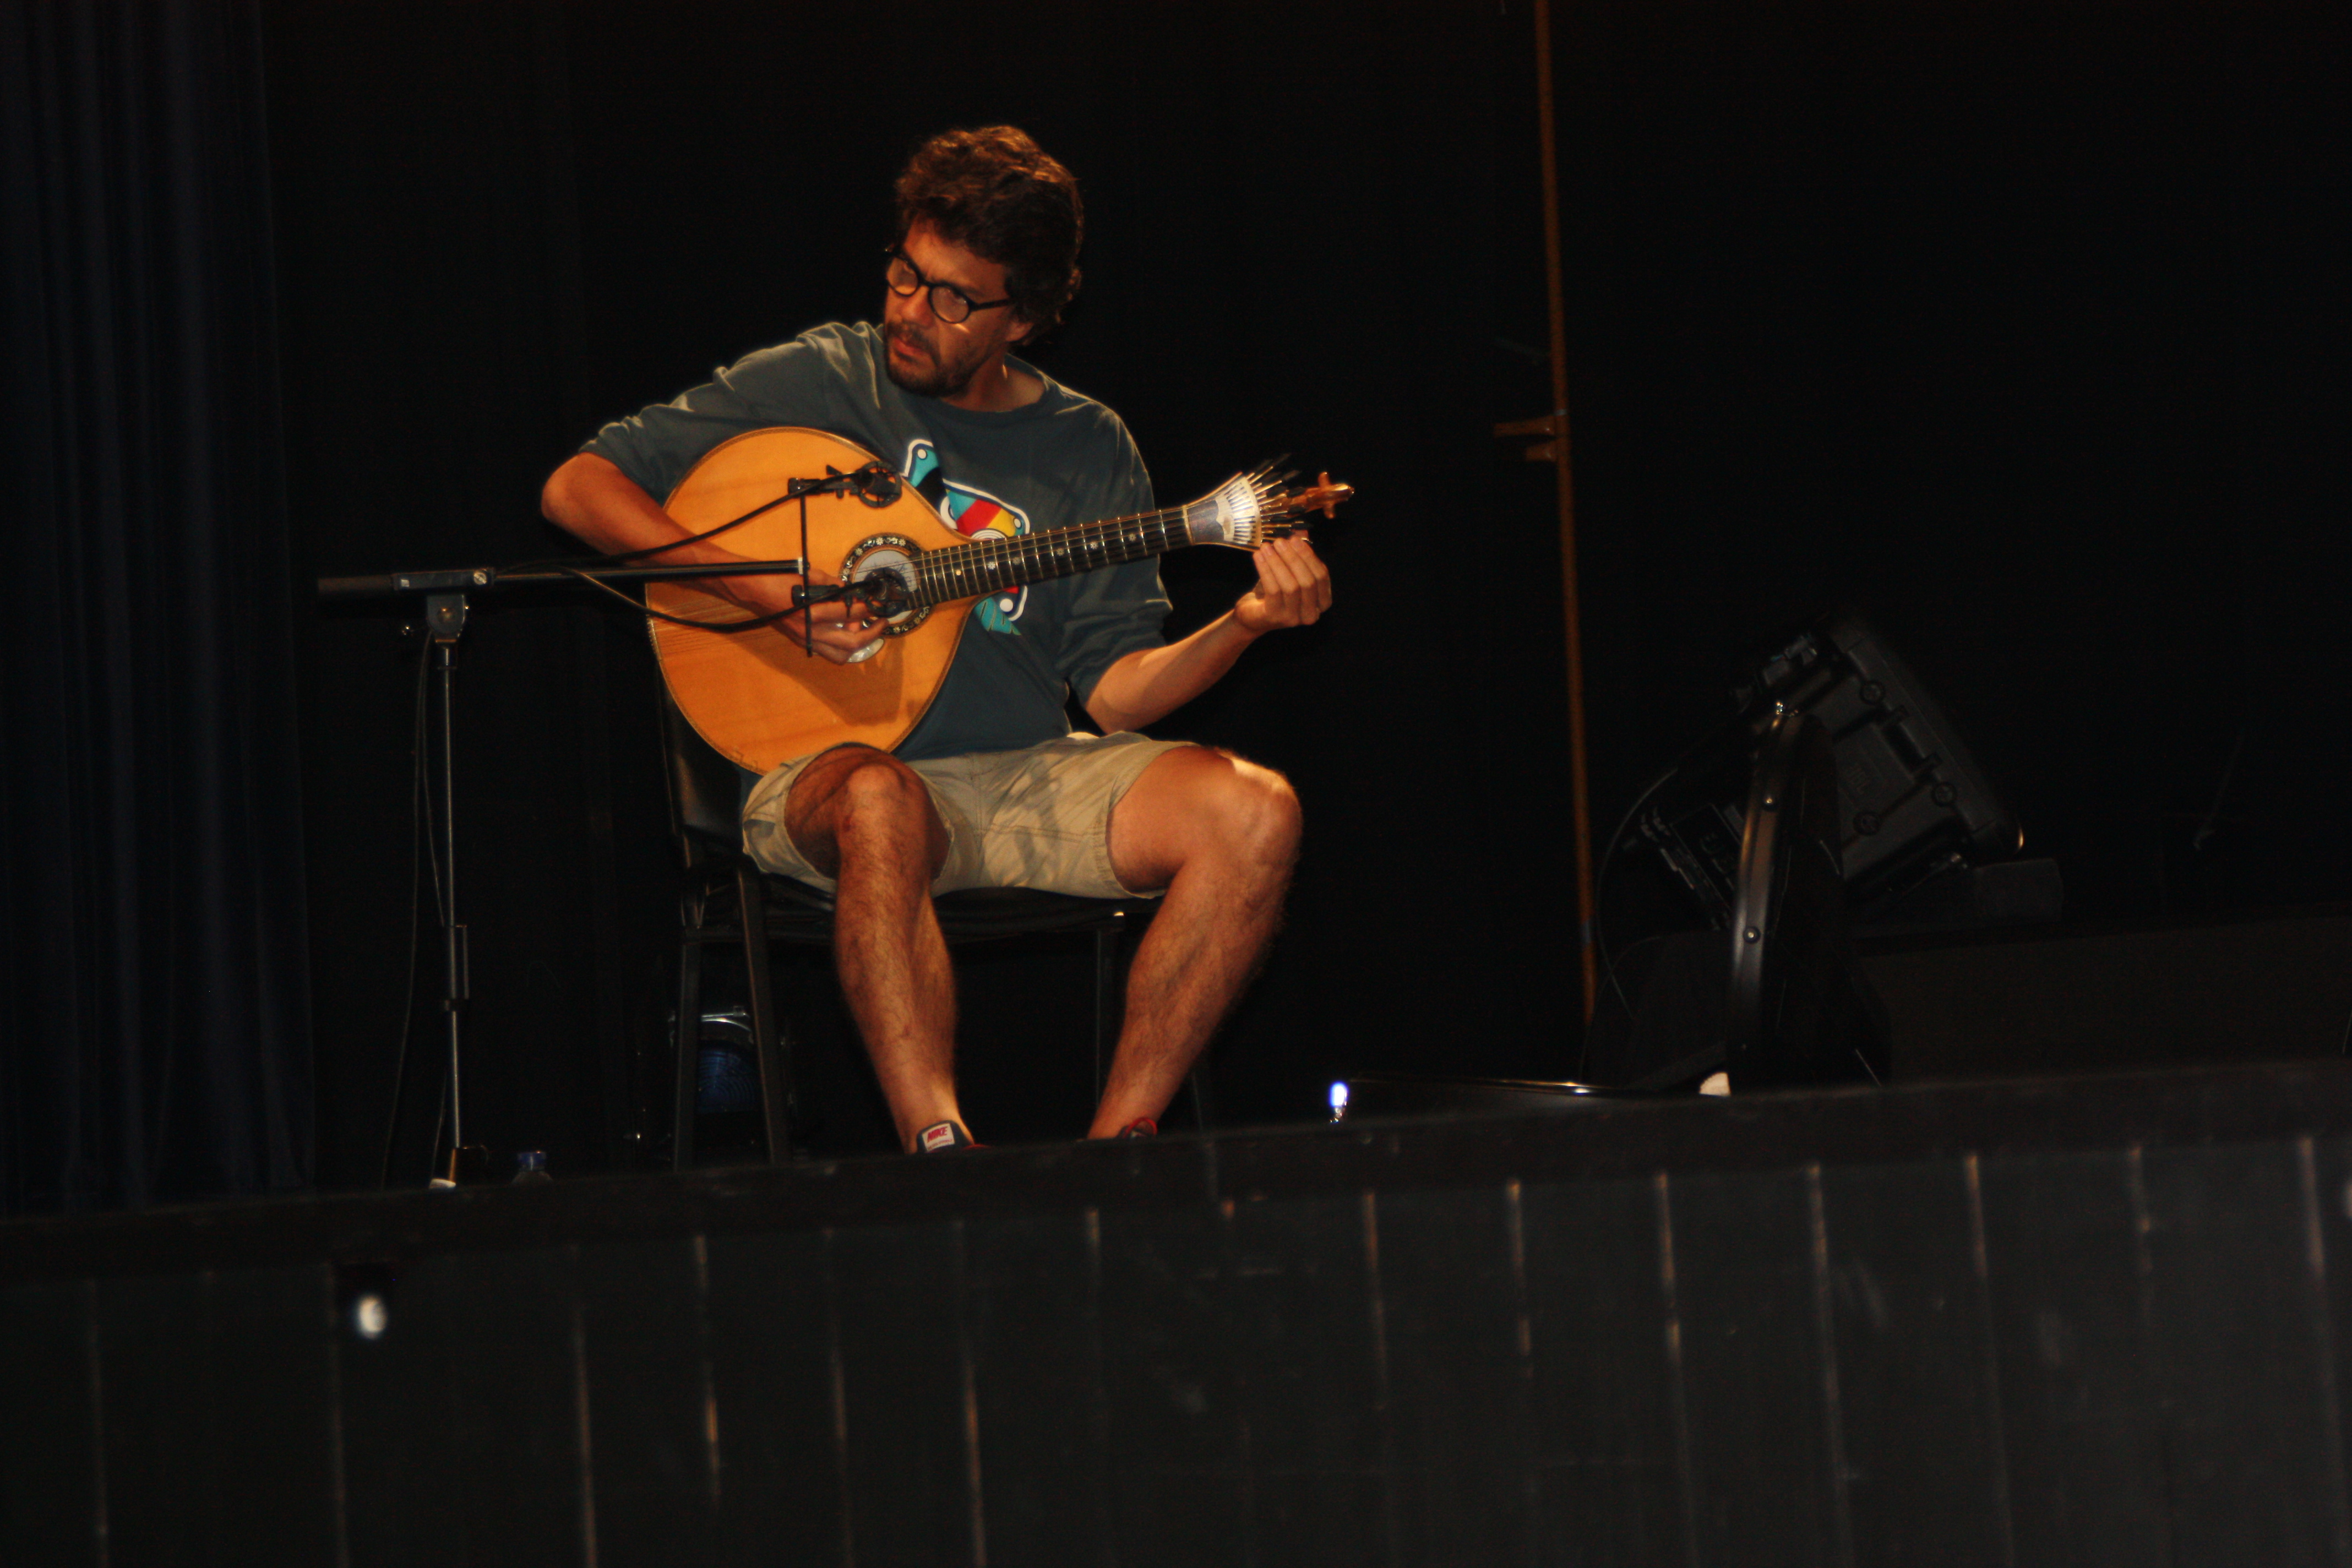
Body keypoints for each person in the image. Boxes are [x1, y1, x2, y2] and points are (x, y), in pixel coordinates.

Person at [541, 126, 1330, 1152]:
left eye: (954, 299)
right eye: (907, 275)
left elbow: (1116, 696)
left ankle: (1115, 1158)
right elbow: (578, 487)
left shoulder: (1087, 446)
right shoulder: (822, 377)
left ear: (1027, 319)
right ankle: (941, 1156)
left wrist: (1245, 626)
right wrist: (768, 592)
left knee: (1257, 812)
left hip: (1022, 774)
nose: (911, 311)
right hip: (828, 773)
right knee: (882, 800)